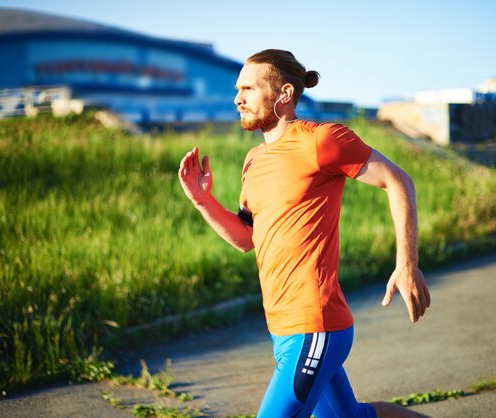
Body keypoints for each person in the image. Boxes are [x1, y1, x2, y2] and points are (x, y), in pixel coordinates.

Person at [178, 49, 430, 418]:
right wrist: (203, 201)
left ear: (284, 95)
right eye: (237, 89)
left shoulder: (322, 140)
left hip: (314, 326)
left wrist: (407, 264)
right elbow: (248, 238)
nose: (237, 98)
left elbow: (398, 180)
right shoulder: (254, 161)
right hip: (282, 328)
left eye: (248, 89)